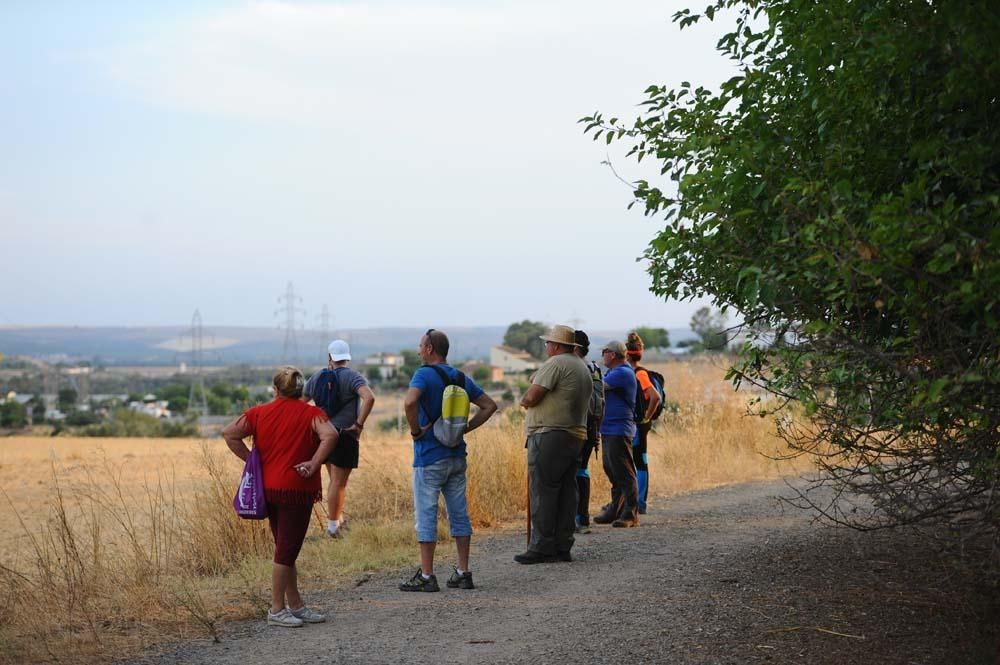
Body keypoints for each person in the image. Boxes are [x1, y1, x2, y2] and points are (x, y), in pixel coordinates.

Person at [222, 366, 338, 627]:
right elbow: (330, 435)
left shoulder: (259, 413)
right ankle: (276, 609)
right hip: (297, 490)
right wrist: (314, 462)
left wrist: (253, 463)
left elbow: (230, 433)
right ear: (300, 390)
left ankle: (295, 605)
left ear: (275, 389)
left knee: (285, 547)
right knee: (286, 550)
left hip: (269, 489)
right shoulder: (311, 414)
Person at [399, 328, 498, 591]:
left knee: (427, 514)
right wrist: (465, 428)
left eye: (421, 345)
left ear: (430, 349)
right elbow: (490, 406)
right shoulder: (459, 376)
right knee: (459, 514)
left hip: (429, 457)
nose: (419, 349)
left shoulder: (423, 374)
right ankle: (463, 572)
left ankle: (428, 576)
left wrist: (415, 431)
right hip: (456, 455)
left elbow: (409, 403)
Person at [515, 324, 593, 564]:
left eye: (548, 343)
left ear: (557, 345)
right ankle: (562, 545)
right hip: (575, 434)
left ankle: (541, 546)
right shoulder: (581, 366)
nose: (546, 346)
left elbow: (531, 396)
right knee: (567, 492)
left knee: (544, 490)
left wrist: (523, 400)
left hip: (549, 434)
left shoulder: (556, 363)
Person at [302, 339, 376, 538]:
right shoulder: (353, 376)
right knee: (339, 483)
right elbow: (369, 398)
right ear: (347, 358)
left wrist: (314, 424)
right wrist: (358, 425)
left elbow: (301, 402)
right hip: (345, 435)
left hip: (323, 435)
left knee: (333, 481)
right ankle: (333, 527)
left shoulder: (317, 376)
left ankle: (338, 521)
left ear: (329, 357)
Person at [593, 340, 640, 528]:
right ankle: (617, 509)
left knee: (624, 471)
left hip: (619, 429)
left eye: (604, 352)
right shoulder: (616, 372)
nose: (603, 355)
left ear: (612, 354)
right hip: (611, 428)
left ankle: (630, 513)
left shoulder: (622, 373)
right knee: (613, 470)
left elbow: (597, 388)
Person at [626, 331, 662, 514]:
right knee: (638, 460)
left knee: (639, 460)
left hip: (639, 423)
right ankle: (637, 502)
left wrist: (646, 415)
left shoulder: (639, 374)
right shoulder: (636, 372)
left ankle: (640, 502)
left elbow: (654, 396)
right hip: (639, 422)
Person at [573, 329, 604, 533]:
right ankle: (582, 518)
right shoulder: (595, 368)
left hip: (576, 428)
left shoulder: (573, 368)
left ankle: (573, 519)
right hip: (593, 427)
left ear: (574, 347)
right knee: (583, 471)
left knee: (571, 473)